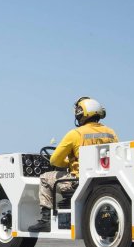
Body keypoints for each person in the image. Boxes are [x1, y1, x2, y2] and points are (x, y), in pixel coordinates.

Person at [29, 97, 118, 232]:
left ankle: (46, 220)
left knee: (45, 178)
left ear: (82, 114)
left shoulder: (75, 134)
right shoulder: (111, 133)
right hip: (102, 182)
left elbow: (54, 160)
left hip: (77, 181)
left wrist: (67, 163)